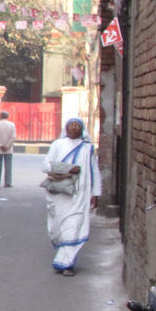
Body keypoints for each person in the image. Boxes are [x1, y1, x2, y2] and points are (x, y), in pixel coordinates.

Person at [43, 116, 101, 276]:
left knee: (73, 227)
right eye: (71, 125)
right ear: (66, 128)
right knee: (58, 229)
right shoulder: (57, 145)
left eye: (77, 126)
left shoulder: (88, 149)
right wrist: (67, 169)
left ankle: (66, 264)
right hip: (59, 195)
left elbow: (94, 171)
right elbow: (46, 165)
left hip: (79, 196)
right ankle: (63, 257)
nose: (74, 128)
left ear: (82, 129)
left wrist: (95, 193)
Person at [0, 110, 16, 187]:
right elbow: (13, 137)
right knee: (8, 166)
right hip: (8, 150)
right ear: (7, 117)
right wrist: (7, 145)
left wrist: (0, 145)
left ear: (0, 116)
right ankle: (7, 182)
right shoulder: (11, 125)